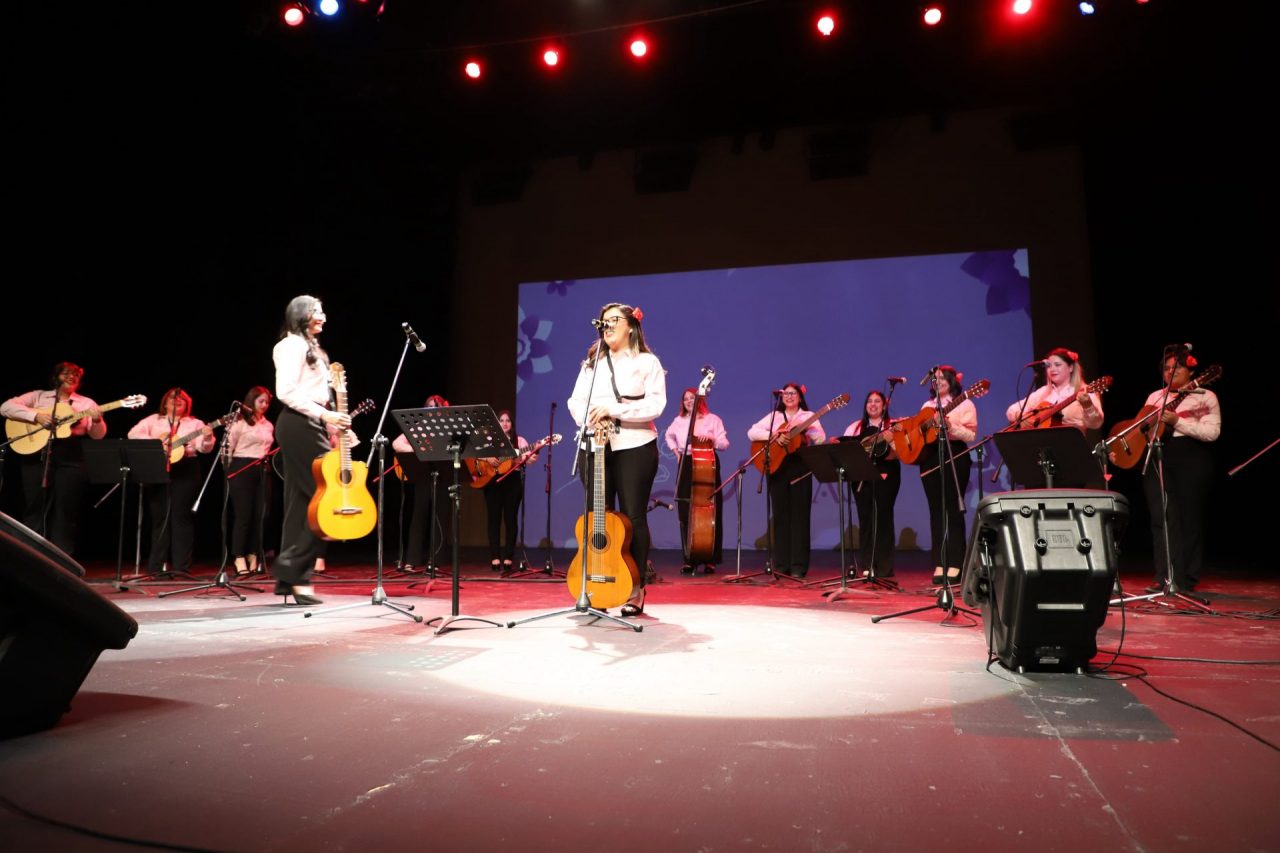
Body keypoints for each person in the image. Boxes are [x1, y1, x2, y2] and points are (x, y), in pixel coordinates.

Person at [568, 302, 666, 616]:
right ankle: (597, 586)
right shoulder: (592, 363)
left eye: (614, 320)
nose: (607, 326)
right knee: (597, 516)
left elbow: (656, 405)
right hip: (594, 444)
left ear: (631, 326)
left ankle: (635, 589)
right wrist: (588, 418)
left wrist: (614, 410)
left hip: (634, 444)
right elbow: (575, 401)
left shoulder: (646, 362)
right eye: (604, 321)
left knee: (633, 517)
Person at [272, 295, 350, 605]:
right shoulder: (289, 346)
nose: (323, 317)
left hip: (312, 422)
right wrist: (325, 416)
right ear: (301, 314)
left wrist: (334, 424)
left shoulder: (313, 349)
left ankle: (290, 577)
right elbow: (286, 391)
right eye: (317, 311)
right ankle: (293, 571)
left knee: (301, 501)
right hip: (297, 423)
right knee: (323, 496)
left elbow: (320, 397)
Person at [1, 362, 107, 554]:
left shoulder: (86, 403)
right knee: (35, 505)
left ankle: (62, 559)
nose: (71, 377)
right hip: (37, 454)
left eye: (76, 374)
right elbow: (5, 407)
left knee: (65, 509)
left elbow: (98, 436)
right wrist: (36, 417)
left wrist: (97, 419)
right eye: (66, 373)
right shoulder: (39, 396)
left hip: (71, 457)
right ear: (56, 376)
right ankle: (30, 554)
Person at [1141, 346, 1221, 594]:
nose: (1171, 372)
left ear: (1192, 371)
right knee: (1161, 519)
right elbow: (1141, 428)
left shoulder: (1205, 395)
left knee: (1188, 519)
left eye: (1177, 367)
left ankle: (1186, 578)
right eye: (1166, 368)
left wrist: (1178, 422)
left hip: (1190, 457)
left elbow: (1212, 433)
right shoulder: (1155, 397)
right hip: (1158, 456)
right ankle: (1164, 576)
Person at [128, 388, 216, 575]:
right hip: (159, 468)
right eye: (172, 398)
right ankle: (156, 567)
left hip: (186, 469)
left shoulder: (195, 423)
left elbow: (205, 449)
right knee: (160, 517)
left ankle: (181, 567)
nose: (177, 401)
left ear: (187, 404)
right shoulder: (154, 420)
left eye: (182, 399)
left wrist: (207, 436)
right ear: (165, 403)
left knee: (181, 517)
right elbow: (132, 434)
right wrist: (158, 442)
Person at [747, 383, 826, 579]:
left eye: (793, 393)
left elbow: (820, 439)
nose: (789, 396)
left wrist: (809, 432)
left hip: (800, 467)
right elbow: (752, 432)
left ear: (800, 397)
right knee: (780, 516)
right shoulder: (775, 416)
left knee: (800, 516)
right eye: (786, 394)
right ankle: (781, 564)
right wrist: (775, 435)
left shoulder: (808, 416)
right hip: (778, 467)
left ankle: (799, 565)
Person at [915, 366, 977, 586]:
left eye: (942, 378)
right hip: (931, 458)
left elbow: (971, 434)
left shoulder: (965, 403)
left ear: (952, 381)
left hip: (955, 455)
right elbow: (920, 432)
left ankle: (957, 562)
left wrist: (950, 426)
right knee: (936, 511)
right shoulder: (927, 406)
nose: (938, 381)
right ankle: (940, 562)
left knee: (954, 509)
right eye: (935, 378)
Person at [664, 386, 729, 575]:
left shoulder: (713, 419)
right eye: (685, 399)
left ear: (699, 400)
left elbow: (724, 443)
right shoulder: (679, 421)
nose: (688, 401)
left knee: (712, 510)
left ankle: (710, 559)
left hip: (707, 463)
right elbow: (668, 435)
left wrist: (711, 439)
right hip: (686, 463)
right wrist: (677, 453)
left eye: (692, 398)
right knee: (685, 511)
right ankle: (689, 558)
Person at [841, 390, 900, 577]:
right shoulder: (855, 427)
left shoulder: (893, 425)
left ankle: (884, 567)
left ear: (884, 405)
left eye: (877, 401)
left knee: (884, 517)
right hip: (862, 475)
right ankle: (867, 565)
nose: (873, 404)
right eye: (869, 401)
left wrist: (892, 441)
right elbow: (845, 449)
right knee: (866, 518)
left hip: (887, 474)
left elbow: (901, 452)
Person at [391, 394, 450, 573]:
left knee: (441, 519)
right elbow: (396, 443)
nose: (432, 410)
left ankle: (436, 561)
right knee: (418, 517)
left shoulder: (448, 427)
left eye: (435, 407)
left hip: (443, 476)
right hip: (424, 477)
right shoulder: (419, 427)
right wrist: (416, 449)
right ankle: (412, 560)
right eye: (429, 407)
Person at [475, 410, 534, 571]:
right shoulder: (489, 439)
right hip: (492, 481)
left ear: (512, 423)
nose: (505, 423)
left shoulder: (519, 440)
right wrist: (487, 458)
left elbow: (529, 458)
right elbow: (475, 454)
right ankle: (495, 557)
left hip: (512, 482)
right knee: (493, 519)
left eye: (508, 420)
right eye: (501, 420)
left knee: (510, 519)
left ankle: (508, 557)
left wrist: (529, 456)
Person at [225, 386, 275, 576]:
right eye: (261, 401)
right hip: (241, 467)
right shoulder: (239, 422)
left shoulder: (268, 424)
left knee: (261, 515)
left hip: (263, 468)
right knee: (243, 515)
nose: (264, 405)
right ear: (251, 400)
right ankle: (238, 556)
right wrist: (229, 471)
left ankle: (254, 554)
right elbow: (228, 449)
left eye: (267, 402)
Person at [1006, 347, 1104, 434]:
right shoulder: (1043, 392)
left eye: (1057, 365)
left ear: (1070, 368)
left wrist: (1088, 405)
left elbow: (1096, 424)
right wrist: (1021, 417)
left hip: (1072, 444)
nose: (1052, 369)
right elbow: (1011, 410)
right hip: (1041, 445)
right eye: (1049, 366)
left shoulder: (1084, 391)